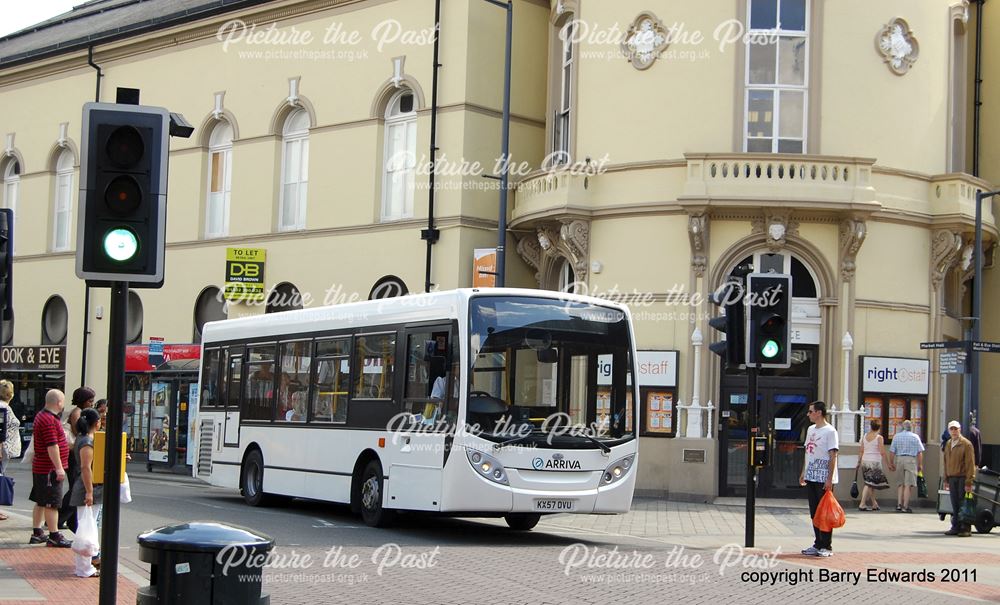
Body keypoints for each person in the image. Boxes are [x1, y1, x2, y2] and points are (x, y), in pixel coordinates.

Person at [28, 389, 72, 547]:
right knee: (51, 503)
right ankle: (54, 535)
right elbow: (52, 445)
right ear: (59, 402)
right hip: (49, 468)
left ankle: (37, 532)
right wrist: (59, 468)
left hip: (42, 466)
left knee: (40, 501)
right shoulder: (49, 420)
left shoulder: (42, 415)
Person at [799, 400, 839, 557]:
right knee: (814, 511)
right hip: (811, 475)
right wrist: (804, 471)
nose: (808, 414)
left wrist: (829, 478)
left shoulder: (830, 431)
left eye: (811, 411)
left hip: (823, 476)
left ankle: (826, 545)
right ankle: (817, 543)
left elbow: (833, 455)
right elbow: (808, 452)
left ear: (819, 412)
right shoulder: (810, 430)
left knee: (825, 512)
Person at [943, 420, 977, 537]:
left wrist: (969, 481)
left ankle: (965, 527)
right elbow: (946, 461)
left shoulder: (966, 444)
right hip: (952, 477)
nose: (954, 431)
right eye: (951, 429)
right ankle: (956, 525)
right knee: (955, 503)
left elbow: (970, 463)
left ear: (960, 430)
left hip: (962, 477)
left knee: (963, 502)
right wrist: (946, 478)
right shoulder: (948, 444)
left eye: (956, 429)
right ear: (949, 431)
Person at [888, 419, 925, 513]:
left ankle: (899, 504)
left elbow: (892, 451)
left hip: (899, 459)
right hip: (911, 460)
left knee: (900, 483)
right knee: (908, 484)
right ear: (911, 427)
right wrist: (920, 464)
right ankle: (905, 506)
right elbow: (920, 452)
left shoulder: (897, 436)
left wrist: (891, 463)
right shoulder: (915, 437)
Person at [0, 379, 22, 522]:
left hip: (6, 449)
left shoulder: (4, 407)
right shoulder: (2, 408)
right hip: (4, 449)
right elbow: (0, 430)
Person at [856, 419, 889, 511]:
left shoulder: (864, 436)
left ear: (870, 426)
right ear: (879, 427)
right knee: (869, 483)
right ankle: (862, 503)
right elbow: (882, 452)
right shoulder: (879, 438)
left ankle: (874, 503)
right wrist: (888, 463)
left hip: (865, 461)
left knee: (870, 483)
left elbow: (861, 450)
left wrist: (858, 462)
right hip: (874, 462)